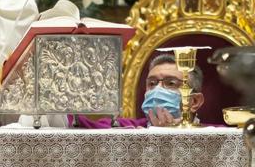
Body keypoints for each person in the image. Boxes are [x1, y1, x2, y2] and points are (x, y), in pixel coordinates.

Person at [74, 52, 205, 128]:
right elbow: (78, 124)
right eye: (152, 83)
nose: (157, 89)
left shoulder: (217, 138)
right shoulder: (127, 130)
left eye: (170, 83)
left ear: (194, 101)